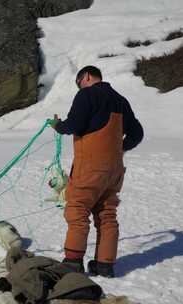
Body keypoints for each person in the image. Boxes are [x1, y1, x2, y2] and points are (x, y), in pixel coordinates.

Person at [49, 66, 143, 278]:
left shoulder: (87, 94)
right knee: (107, 214)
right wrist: (120, 149)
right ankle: (104, 264)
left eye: (79, 82)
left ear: (87, 77)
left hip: (90, 167)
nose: (79, 86)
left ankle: (72, 262)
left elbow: (74, 124)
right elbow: (137, 133)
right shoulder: (121, 100)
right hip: (115, 169)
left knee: (77, 209)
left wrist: (58, 125)